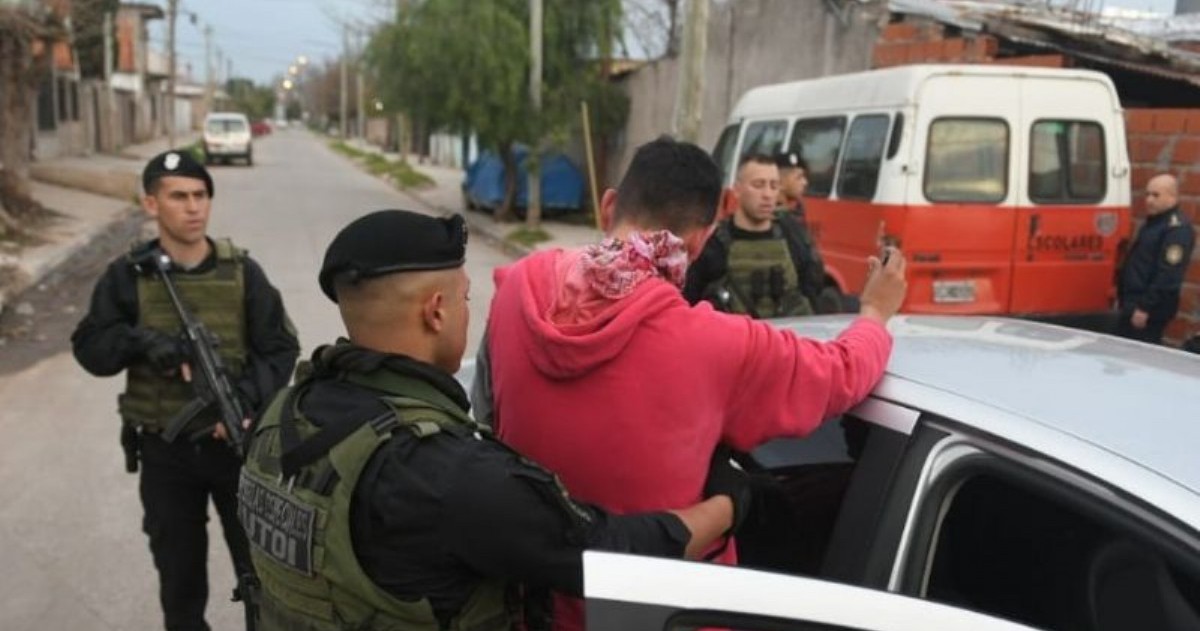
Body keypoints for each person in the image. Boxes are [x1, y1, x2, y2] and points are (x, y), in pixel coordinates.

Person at [239, 210, 748, 631]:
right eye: (464, 298)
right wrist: (729, 503)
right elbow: (611, 557)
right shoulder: (450, 473)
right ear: (435, 312)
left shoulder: (282, 415)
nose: (468, 312)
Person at [476, 136, 907, 631]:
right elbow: (842, 372)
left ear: (609, 204)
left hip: (526, 608)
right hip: (663, 616)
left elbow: (487, 418)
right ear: (702, 241)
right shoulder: (720, 346)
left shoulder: (518, 290)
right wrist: (874, 312)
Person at [71, 149, 300, 631]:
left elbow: (280, 347)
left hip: (235, 449)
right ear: (151, 205)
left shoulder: (242, 273)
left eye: (201, 196)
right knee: (180, 585)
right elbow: (91, 348)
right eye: (179, 197)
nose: (193, 207)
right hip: (165, 452)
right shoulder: (128, 276)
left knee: (263, 580)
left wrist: (245, 402)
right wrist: (142, 343)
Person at [683, 153, 826, 317]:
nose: (767, 194)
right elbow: (690, 303)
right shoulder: (712, 243)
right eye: (758, 185)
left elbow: (812, 291)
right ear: (737, 190)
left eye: (774, 186)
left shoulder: (794, 236)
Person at [1116, 173, 1196, 345]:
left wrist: (1145, 307)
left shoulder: (1176, 229)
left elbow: (1168, 275)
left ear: (1172, 196)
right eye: (1147, 194)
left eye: (1156, 195)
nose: (1149, 200)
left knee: (1139, 355)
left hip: (1147, 310)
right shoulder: (1155, 223)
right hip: (1133, 303)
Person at [776, 150, 810, 221]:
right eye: (799, 177)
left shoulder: (794, 213)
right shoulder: (774, 219)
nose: (805, 182)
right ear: (780, 182)